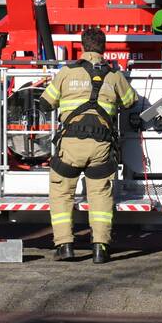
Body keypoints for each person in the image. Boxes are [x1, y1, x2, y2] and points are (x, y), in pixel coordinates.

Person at [39, 27, 137, 264]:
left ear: (83, 47)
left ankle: (64, 246)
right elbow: (130, 101)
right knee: (101, 197)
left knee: (61, 193)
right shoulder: (114, 76)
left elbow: (45, 104)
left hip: (71, 146)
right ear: (104, 48)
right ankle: (100, 248)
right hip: (101, 147)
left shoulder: (66, 72)